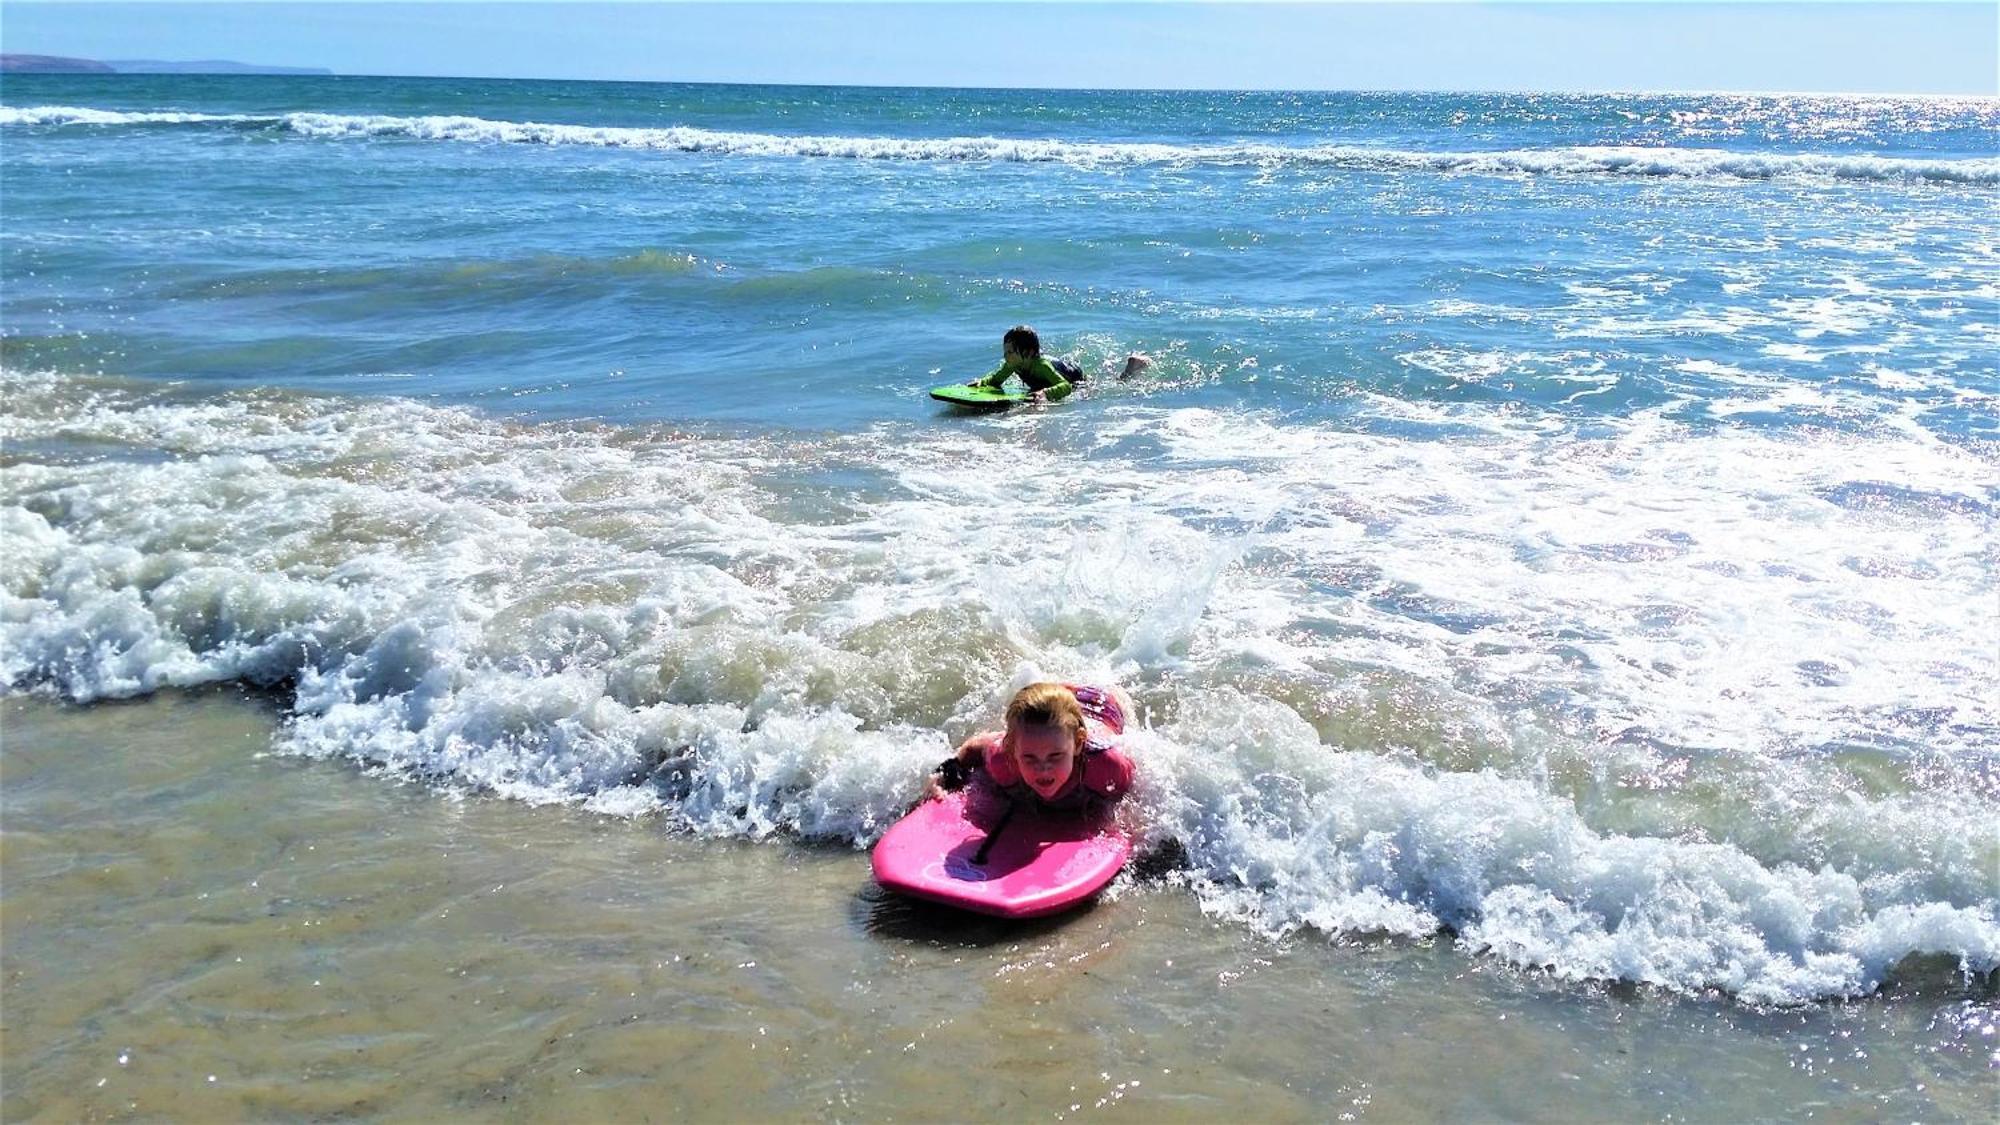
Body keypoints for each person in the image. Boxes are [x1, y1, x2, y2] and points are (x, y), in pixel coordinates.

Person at [925, 681, 1137, 815]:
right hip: (1054, 713)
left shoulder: (1107, 766)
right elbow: (974, 749)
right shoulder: (1004, 759)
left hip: (1099, 704)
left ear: (1078, 745)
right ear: (1013, 750)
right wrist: (948, 772)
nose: (1043, 769)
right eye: (1029, 758)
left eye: (1055, 756)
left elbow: (1136, 794)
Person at [968, 326, 1151, 404]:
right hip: (1053, 380)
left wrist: (1045, 393)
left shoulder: (1041, 366)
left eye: (1010, 352)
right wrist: (982, 383)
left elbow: (1065, 386)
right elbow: (996, 379)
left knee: (1115, 386)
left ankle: (1132, 367)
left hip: (1074, 379)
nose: (1005, 356)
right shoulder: (1013, 364)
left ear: (1029, 353)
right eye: (1005, 351)